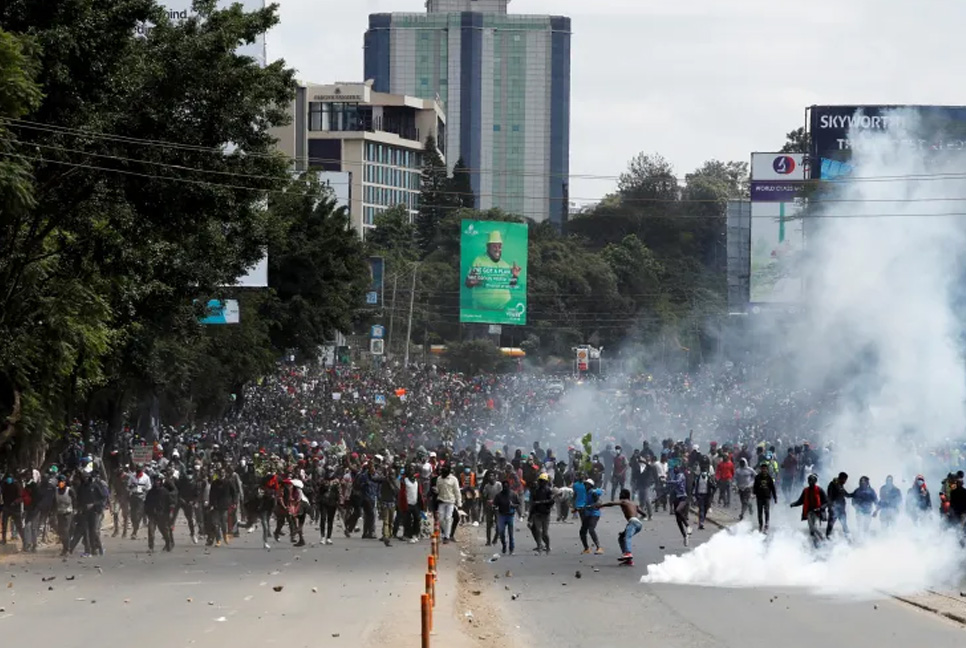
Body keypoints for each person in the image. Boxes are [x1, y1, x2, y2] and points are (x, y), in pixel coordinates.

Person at [464, 229, 522, 313]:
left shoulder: (504, 264)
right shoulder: (479, 261)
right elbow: (468, 283)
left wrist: (515, 276)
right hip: (481, 310)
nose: (497, 249)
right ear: (488, 247)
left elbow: (511, 285)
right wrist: (472, 282)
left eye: (499, 246)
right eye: (494, 246)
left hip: (503, 309)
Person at [595, 488, 648, 566]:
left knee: (627, 537)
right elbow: (644, 514)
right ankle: (628, 560)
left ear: (623, 495)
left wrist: (601, 505)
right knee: (621, 538)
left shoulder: (624, 501)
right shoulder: (634, 504)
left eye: (620, 494)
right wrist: (640, 516)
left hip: (633, 522)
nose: (619, 495)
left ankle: (628, 553)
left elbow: (612, 503)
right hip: (638, 524)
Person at [791, 473, 828, 548]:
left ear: (815, 481)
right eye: (809, 480)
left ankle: (824, 539)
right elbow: (801, 501)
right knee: (811, 531)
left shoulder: (819, 490)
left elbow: (826, 502)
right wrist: (794, 504)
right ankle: (816, 544)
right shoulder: (805, 490)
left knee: (815, 528)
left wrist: (820, 508)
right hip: (809, 513)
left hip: (817, 513)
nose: (811, 482)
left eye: (812, 480)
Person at [435, 465, 461, 545]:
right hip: (441, 501)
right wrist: (436, 491)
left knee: (448, 518)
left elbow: (457, 492)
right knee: (440, 519)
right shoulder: (439, 479)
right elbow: (438, 490)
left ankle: (447, 537)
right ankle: (445, 532)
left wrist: (459, 502)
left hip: (450, 502)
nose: (443, 475)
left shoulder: (454, 479)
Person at [493, 480, 520, 555]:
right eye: (504, 486)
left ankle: (511, 548)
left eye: (507, 485)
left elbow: (518, 504)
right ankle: (504, 545)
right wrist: (494, 508)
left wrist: (513, 505)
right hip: (502, 515)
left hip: (510, 515)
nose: (505, 487)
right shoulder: (498, 495)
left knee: (511, 533)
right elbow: (495, 505)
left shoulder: (513, 494)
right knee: (501, 533)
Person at [528, 473, 553, 554]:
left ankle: (548, 546)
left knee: (545, 533)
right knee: (538, 531)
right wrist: (530, 517)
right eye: (540, 481)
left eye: (543, 481)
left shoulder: (548, 490)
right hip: (537, 513)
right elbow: (533, 504)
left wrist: (541, 502)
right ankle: (539, 547)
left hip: (545, 514)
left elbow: (551, 501)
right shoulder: (536, 491)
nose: (541, 483)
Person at [668, 465, 691, 546]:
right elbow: (671, 488)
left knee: (678, 510)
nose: (675, 469)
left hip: (683, 497)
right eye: (674, 468)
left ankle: (688, 526)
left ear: (679, 469)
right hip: (676, 498)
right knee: (678, 520)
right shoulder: (674, 476)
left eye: (676, 468)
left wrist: (667, 481)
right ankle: (685, 536)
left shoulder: (681, 475)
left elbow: (677, 482)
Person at [53, 474, 75, 557]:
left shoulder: (69, 491)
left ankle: (67, 549)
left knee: (65, 531)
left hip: (68, 513)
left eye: (62, 482)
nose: (60, 483)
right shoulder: (56, 491)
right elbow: (54, 502)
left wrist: (76, 510)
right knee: (60, 531)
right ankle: (65, 547)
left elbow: (75, 500)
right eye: (59, 482)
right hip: (59, 513)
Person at [753, 462, 778, 533]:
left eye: (765, 469)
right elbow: (755, 487)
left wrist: (775, 498)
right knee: (759, 512)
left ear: (767, 470)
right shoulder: (757, 477)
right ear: (761, 469)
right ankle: (760, 524)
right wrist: (754, 493)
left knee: (766, 511)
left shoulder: (769, 478)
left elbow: (773, 488)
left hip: (767, 497)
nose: (764, 470)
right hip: (759, 497)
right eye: (762, 469)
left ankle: (767, 524)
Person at [826, 472, 852, 539]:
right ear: (842, 478)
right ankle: (827, 539)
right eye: (845, 480)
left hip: (841, 510)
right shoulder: (833, 484)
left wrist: (855, 495)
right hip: (834, 509)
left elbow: (846, 494)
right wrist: (830, 507)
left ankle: (849, 538)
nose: (845, 481)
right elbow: (829, 497)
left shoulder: (840, 485)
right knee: (830, 526)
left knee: (844, 525)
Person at [734, 457, 755, 522]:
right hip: (740, 488)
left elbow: (756, 476)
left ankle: (742, 514)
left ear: (745, 462)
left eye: (743, 462)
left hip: (747, 487)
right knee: (742, 501)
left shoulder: (750, 470)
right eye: (741, 462)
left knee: (745, 501)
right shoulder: (738, 470)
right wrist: (734, 484)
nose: (742, 464)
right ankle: (749, 507)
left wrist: (752, 483)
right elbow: (735, 478)